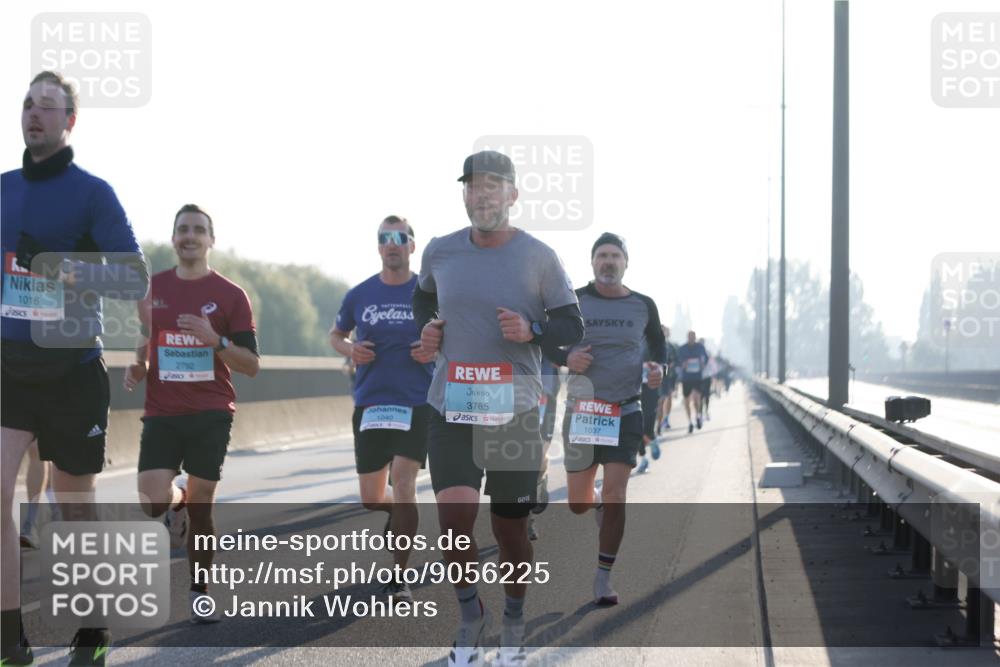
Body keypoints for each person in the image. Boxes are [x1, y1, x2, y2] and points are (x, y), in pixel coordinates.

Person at [413, 150, 583, 667]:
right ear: (464, 194)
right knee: (454, 519)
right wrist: (429, 327)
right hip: (453, 406)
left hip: (514, 411)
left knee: (509, 527)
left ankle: (514, 616)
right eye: (473, 187)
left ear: (512, 195)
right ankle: (470, 616)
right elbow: (424, 299)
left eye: (493, 187)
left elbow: (571, 329)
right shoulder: (440, 252)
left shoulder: (538, 256)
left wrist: (532, 331)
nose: (481, 196)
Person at [1, 71, 148, 667]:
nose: (34, 114)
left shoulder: (93, 193)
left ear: (70, 122)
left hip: (71, 373)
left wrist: (68, 270)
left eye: (47, 107)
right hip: (8, 368)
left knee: (74, 508)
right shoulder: (3, 188)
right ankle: (11, 636)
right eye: (28, 104)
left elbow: (134, 276)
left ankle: (92, 627)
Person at [124, 204, 259, 624]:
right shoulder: (153, 291)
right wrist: (140, 364)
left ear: (211, 240)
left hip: (211, 410)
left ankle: (200, 593)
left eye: (198, 230)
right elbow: (146, 338)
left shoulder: (232, 295)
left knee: (204, 503)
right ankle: (173, 503)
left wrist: (215, 340)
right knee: (151, 502)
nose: (190, 236)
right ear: (173, 238)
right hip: (162, 411)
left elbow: (251, 364)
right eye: (183, 229)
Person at [543, 232, 665, 606]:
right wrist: (567, 360)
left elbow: (657, 346)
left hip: (626, 409)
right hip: (583, 412)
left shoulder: (644, 305)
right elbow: (544, 341)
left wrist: (658, 368)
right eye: (602, 256)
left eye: (615, 255)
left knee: (616, 494)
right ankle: (592, 503)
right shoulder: (573, 301)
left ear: (625, 262)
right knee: (579, 503)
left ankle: (602, 578)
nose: (608, 261)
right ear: (592, 262)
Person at [329, 215, 434, 605]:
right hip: (372, 402)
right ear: (378, 247)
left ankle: (400, 575)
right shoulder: (360, 294)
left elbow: (455, 334)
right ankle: (393, 511)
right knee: (373, 497)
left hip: (416, 402)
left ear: (411, 245)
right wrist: (349, 349)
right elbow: (336, 334)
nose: (392, 244)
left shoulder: (429, 293)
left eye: (400, 237)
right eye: (384, 238)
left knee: (404, 484)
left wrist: (434, 349)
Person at [528, 361, 561, 540]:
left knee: (538, 458)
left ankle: (539, 480)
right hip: (510, 392)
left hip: (544, 394)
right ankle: (525, 520)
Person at [676, 331, 709, 433]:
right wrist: (683, 364)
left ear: (695, 337)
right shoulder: (682, 349)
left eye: (693, 337)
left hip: (697, 377)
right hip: (686, 378)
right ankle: (690, 422)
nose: (692, 338)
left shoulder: (700, 347)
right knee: (686, 401)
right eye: (690, 337)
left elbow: (706, 359)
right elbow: (678, 361)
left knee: (696, 399)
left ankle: (698, 416)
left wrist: (703, 364)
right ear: (687, 337)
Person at [655, 325, 678, 436]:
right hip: (648, 379)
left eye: (665, 331)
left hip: (666, 379)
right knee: (654, 404)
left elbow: (675, 362)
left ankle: (660, 424)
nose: (663, 333)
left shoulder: (671, 347)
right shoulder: (648, 344)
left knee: (661, 402)